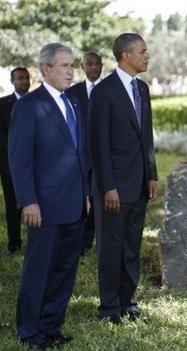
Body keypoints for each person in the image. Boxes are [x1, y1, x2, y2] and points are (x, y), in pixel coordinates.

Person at [9, 43, 90, 349]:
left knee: (65, 270)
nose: (71, 71)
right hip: (42, 206)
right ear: (45, 69)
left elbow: (80, 154)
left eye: (72, 66)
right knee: (38, 270)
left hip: (73, 204)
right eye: (65, 66)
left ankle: (51, 327)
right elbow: (19, 159)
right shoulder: (29, 106)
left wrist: (84, 193)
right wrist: (28, 201)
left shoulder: (73, 103)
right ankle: (29, 333)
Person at [89, 33, 158, 324]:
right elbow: (98, 143)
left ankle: (128, 303)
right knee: (111, 248)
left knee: (131, 247)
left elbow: (146, 137)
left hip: (140, 185)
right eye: (142, 51)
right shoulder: (104, 91)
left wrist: (152, 175)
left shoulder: (142, 88)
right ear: (126, 56)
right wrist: (109, 187)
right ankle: (108, 308)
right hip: (113, 189)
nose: (147, 55)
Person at [67, 51, 103, 255]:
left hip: (103, 155)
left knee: (100, 198)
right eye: (89, 64)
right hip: (80, 156)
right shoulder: (73, 92)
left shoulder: (109, 89)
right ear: (83, 66)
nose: (93, 67)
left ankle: (97, 239)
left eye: (97, 64)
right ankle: (82, 242)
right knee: (83, 197)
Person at [0, 67, 30, 255]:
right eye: (20, 78)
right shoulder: (2, 104)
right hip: (10, 164)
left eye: (27, 78)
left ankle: (36, 242)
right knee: (13, 204)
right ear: (12, 81)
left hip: (35, 163)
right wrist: (17, 149)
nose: (24, 81)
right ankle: (14, 244)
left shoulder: (37, 101)